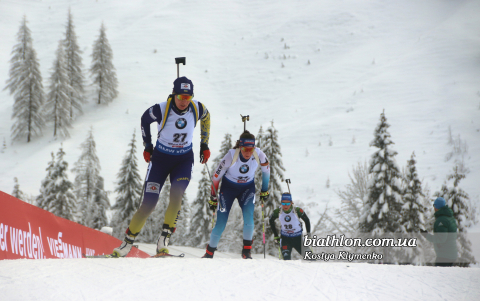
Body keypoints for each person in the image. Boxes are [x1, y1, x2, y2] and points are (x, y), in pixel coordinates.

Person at [113, 76, 211, 257]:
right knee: (149, 203)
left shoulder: (197, 107)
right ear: (173, 94)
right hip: (160, 160)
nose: (184, 102)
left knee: (176, 194)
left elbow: (206, 117)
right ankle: (126, 244)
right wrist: (147, 146)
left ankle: (163, 241)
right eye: (180, 97)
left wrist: (204, 144)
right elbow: (144, 119)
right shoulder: (162, 109)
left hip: (183, 161)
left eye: (187, 98)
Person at [202, 130, 270, 259]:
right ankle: (209, 253)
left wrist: (264, 190)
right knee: (221, 223)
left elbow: (267, 171)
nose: (248, 152)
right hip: (228, 189)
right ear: (240, 146)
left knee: (249, 219)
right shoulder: (231, 156)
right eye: (245, 149)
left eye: (251, 149)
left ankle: (246, 252)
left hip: (247, 189)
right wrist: (213, 196)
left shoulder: (259, 154)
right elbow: (216, 178)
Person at [269, 193, 311, 260]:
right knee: (287, 261)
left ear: (291, 202)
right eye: (283, 203)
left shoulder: (297, 211)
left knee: (311, 259)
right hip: (285, 239)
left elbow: (307, 220)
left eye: (288, 203)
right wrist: (276, 235)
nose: (285, 206)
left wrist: (309, 234)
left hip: (298, 239)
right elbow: (271, 220)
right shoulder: (278, 211)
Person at [421, 197, 458, 266]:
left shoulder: (441, 220)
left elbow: (441, 239)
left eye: (434, 206)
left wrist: (426, 235)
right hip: (452, 254)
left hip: (444, 256)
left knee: (439, 275)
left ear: (436, 207)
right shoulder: (450, 217)